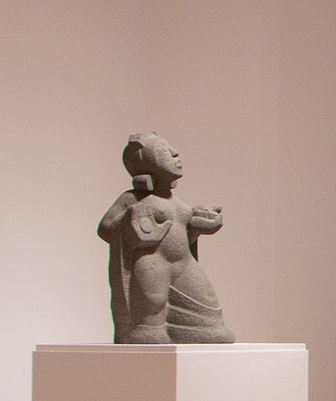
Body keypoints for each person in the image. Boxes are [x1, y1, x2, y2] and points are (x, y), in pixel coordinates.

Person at [98, 133, 234, 343]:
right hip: (152, 262)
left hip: (183, 264)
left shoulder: (178, 203)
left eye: (172, 150)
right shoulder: (132, 198)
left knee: (212, 322)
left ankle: (191, 330)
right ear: (144, 163)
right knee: (151, 318)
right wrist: (132, 219)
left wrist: (199, 225)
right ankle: (147, 330)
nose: (175, 154)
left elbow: (184, 231)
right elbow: (106, 228)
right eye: (164, 151)